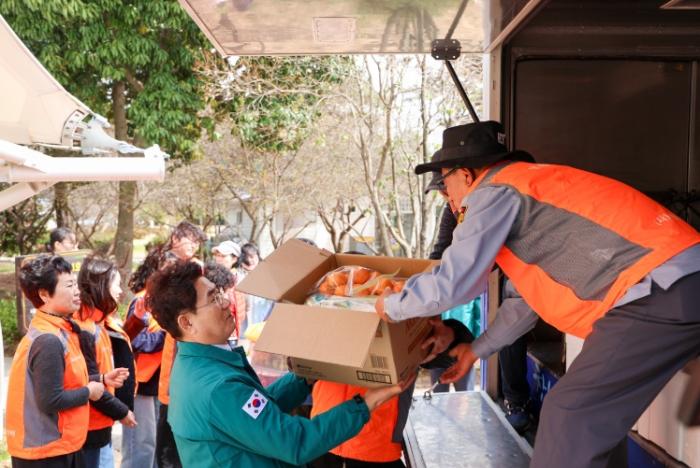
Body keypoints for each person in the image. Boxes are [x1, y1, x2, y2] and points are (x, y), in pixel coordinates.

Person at [375, 120, 700, 468]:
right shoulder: (529, 198)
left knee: (569, 415)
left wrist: (387, 306)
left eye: (445, 183)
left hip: (657, 290)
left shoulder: (492, 191)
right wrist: (476, 350)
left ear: (466, 175)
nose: (447, 197)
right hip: (672, 286)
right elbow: (524, 304)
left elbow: (455, 281)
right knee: (596, 419)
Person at [145, 260, 413, 468]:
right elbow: (295, 441)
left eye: (220, 293)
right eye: (213, 299)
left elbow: (259, 410)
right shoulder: (218, 387)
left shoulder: (197, 366)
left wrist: (305, 376)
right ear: (186, 322)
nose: (226, 302)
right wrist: (366, 403)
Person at [6, 255, 104, 467]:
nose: (77, 291)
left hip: (59, 446)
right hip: (46, 453)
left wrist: (102, 379)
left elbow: (64, 381)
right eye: (69, 285)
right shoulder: (48, 340)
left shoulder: (58, 330)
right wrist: (89, 392)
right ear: (44, 295)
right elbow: (50, 400)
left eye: (75, 284)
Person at [74, 257, 135, 468]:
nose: (120, 291)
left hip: (101, 423)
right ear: (101, 286)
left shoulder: (99, 322)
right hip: (89, 426)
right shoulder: (85, 328)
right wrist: (121, 411)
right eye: (116, 284)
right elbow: (90, 383)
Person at [120, 247, 172, 468]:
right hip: (141, 383)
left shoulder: (165, 300)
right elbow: (134, 339)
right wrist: (166, 334)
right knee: (140, 445)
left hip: (159, 382)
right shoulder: (142, 301)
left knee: (153, 443)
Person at [236, 243, 273, 333]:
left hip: (263, 323)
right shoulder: (237, 276)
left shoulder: (268, 274)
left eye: (252, 256)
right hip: (243, 327)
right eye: (246, 257)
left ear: (258, 256)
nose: (249, 260)